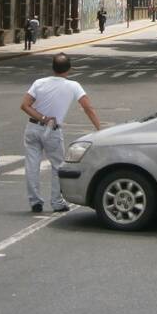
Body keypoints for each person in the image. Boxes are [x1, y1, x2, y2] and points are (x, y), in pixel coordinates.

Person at [20, 53, 102, 213]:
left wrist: (42, 118)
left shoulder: (39, 83)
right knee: (58, 166)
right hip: (53, 130)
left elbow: (25, 105)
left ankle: (35, 201)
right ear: (69, 69)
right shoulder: (73, 85)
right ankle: (57, 202)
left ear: (52, 68)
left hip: (33, 128)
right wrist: (99, 128)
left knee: (31, 165)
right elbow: (88, 108)